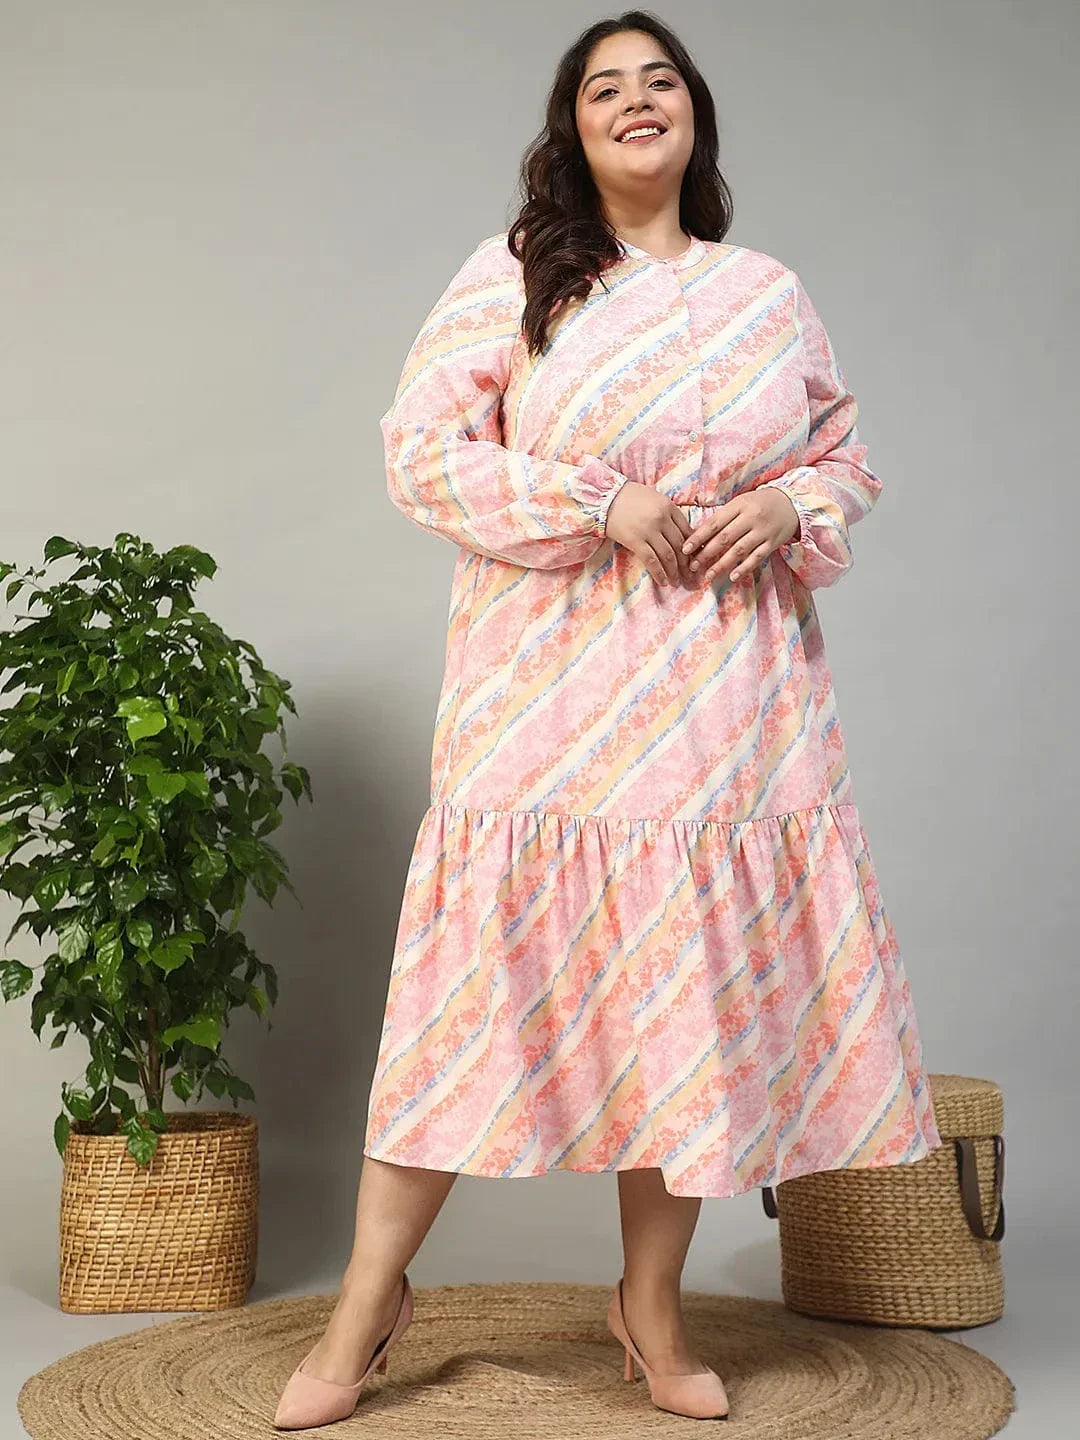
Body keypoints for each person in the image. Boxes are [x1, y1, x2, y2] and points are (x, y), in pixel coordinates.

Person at [274, 8, 944, 1429]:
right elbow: (419, 454)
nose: (637, 101)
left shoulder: (766, 292)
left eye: (659, 80)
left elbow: (846, 457)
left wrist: (790, 504)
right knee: (465, 1007)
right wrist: (599, 500)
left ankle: (650, 1306)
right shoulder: (520, 272)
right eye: (604, 89)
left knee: (679, 1005)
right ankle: (366, 1300)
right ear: (571, 131)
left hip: (728, 703)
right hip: (549, 698)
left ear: (695, 113)